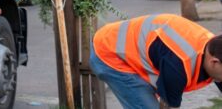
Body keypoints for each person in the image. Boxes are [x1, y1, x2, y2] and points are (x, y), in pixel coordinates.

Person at [91, 14, 222, 108]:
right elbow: (168, 105)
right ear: (214, 62)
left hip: (133, 52)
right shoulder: (179, 65)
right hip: (110, 52)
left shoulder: (214, 47)